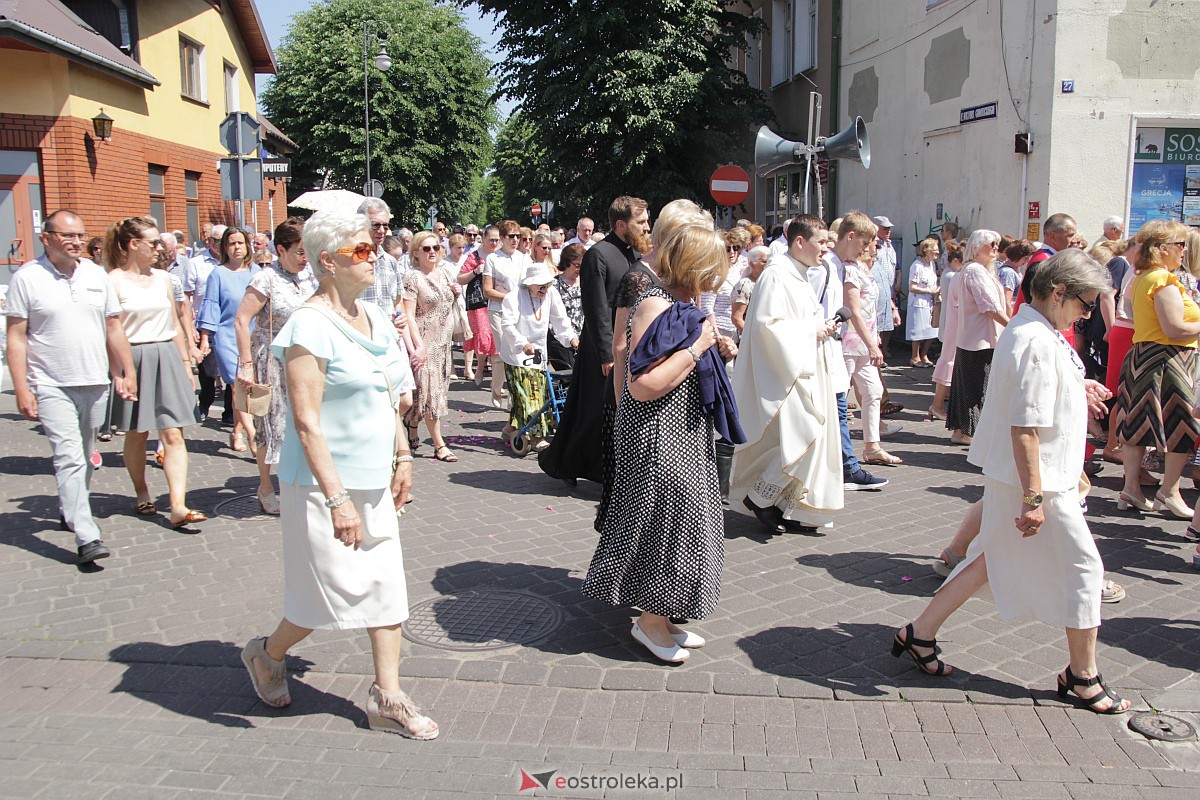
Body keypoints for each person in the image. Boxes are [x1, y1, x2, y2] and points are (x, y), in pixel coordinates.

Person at [892, 249, 1131, 715]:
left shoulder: (1035, 328)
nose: (1086, 316)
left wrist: (1077, 388)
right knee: (1084, 572)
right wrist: (1034, 497)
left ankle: (919, 632)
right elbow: (1024, 427)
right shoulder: (1037, 340)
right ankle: (1082, 676)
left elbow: (1031, 393)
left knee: (988, 560)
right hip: (1040, 480)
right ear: (1059, 292)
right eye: (1085, 305)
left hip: (1027, 475)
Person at [238, 209, 434, 739]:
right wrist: (337, 498)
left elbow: (390, 398)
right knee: (325, 594)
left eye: (374, 248)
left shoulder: (373, 316)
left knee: (386, 585)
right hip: (323, 484)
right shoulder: (307, 325)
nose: (374, 257)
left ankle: (387, 696)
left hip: (375, 477)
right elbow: (305, 420)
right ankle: (266, 653)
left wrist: (404, 457)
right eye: (361, 250)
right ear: (327, 261)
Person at [584, 224, 739, 663]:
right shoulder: (655, 304)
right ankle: (649, 621)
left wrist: (713, 349)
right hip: (657, 432)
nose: (716, 277)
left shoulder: (677, 303)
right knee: (667, 527)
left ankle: (664, 616)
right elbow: (645, 384)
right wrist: (698, 348)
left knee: (685, 524)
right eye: (712, 267)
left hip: (680, 430)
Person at [5, 210, 137, 563]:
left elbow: (113, 327)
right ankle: (86, 534)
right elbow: (16, 337)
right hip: (51, 383)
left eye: (80, 235)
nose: (77, 242)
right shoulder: (27, 278)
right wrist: (22, 388)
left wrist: (126, 370)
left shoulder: (96, 275)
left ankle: (69, 507)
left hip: (94, 380)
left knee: (87, 456)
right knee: (68, 456)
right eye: (68, 236)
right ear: (46, 238)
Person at [731, 215, 844, 532]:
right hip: (787, 372)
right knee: (806, 434)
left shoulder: (800, 274)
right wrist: (813, 330)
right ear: (799, 241)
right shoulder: (777, 276)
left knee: (808, 439)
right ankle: (760, 496)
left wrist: (820, 328)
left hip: (805, 365)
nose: (826, 247)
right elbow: (769, 327)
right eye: (821, 241)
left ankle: (787, 506)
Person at [539, 196, 650, 487]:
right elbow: (597, 307)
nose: (646, 227)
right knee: (591, 412)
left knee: (608, 412)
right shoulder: (598, 255)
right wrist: (607, 354)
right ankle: (566, 463)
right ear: (622, 224)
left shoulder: (633, 254)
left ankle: (603, 470)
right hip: (602, 347)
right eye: (641, 222)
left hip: (628, 343)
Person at [104, 217, 206, 530]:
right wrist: (118, 372)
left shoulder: (164, 279)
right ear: (134, 244)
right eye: (153, 242)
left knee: (174, 432)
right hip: (132, 356)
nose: (159, 248)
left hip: (166, 355)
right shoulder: (113, 281)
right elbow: (111, 329)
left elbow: (175, 323)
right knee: (137, 433)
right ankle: (142, 490)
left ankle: (177, 504)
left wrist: (186, 363)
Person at [234, 218, 318, 516]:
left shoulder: (310, 276)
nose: (304, 257)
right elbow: (242, 321)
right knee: (271, 427)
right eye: (298, 251)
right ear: (280, 249)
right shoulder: (265, 279)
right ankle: (266, 486)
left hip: (304, 357)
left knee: (305, 421)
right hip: (270, 360)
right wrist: (245, 365)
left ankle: (301, 481)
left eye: (307, 250)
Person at [1116, 220, 1199, 517]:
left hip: (1146, 353)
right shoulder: (1162, 279)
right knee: (1182, 423)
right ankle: (1170, 490)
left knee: (1137, 422)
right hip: (1169, 357)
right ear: (1162, 248)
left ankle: (1132, 488)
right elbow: (1175, 328)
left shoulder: (1143, 277)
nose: (1184, 250)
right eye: (1180, 244)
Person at [812, 212, 890, 491]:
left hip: (834, 344)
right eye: (865, 242)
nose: (866, 249)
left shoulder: (839, 266)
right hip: (829, 346)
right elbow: (821, 307)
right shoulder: (826, 267)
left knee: (840, 406)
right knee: (836, 405)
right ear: (851, 236)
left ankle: (847, 466)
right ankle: (847, 467)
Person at [498, 261, 578, 452]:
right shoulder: (514, 296)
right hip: (517, 353)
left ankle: (510, 428)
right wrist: (522, 343)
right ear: (529, 283)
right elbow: (507, 325)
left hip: (538, 353)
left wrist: (572, 339)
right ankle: (536, 438)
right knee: (530, 394)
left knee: (533, 394)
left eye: (547, 284)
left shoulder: (551, 294)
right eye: (540, 285)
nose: (545, 288)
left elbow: (560, 320)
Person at [197, 227, 260, 451]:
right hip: (226, 337)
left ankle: (237, 430)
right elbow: (211, 306)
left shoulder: (256, 272)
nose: (237, 248)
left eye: (240, 243)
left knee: (246, 388)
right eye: (232, 243)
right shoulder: (218, 274)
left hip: (252, 335)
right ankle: (253, 435)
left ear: (247, 246)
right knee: (237, 387)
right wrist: (205, 338)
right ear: (225, 247)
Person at [946, 230, 1007, 445]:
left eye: (997, 244)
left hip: (974, 337)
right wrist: (1010, 324)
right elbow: (989, 305)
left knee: (969, 385)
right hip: (980, 339)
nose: (995, 248)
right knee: (977, 388)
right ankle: (969, 432)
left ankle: (962, 430)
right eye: (991, 244)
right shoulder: (975, 271)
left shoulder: (974, 270)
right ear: (978, 246)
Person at [844, 239, 901, 466]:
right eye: (871, 244)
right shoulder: (850, 271)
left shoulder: (866, 271)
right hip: (848, 343)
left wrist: (874, 335)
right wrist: (872, 344)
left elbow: (870, 311)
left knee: (873, 390)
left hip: (864, 343)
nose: (875, 249)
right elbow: (853, 312)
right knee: (837, 395)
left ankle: (872, 447)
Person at [403, 230, 458, 461]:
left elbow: (448, 302)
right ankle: (439, 445)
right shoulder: (412, 278)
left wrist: (455, 292)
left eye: (435, 247)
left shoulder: (445, 272)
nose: (432, 252)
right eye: (426, 248)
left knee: (427, 393)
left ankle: (411, 426)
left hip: (444, 343)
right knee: (430, 394)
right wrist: (417, 346)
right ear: (416, 252)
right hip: (425, 343)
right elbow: (408, 316)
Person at [183, 223, 226, 420]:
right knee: (208, 371)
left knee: (232, 370)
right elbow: (186, 294)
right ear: (209, 241)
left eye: (223, 240)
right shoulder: (196, 263)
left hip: (228, 323)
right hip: (204, 323)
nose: (220, 245)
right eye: (217, 240)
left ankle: (230, 413)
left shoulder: (234, 263)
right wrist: (191, 323)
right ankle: (205, 402)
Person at [459, 225, 501, 389]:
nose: (495, 243)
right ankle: (480, 367)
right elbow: (460, 279)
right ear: (483, 239)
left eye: (497, 240)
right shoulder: (474, 257)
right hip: (478, 303)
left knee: (497, 338)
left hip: (496, 300)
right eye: (491, 240)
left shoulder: (500, 256)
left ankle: (496, 380)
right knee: (483, 335)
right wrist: (475, 271)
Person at [929, 244, 965, 420]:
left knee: (950, 362)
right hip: (953, 322)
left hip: (951, 321)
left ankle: (942, 402)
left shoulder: (952, 275)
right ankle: (938, 404)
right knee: (948, 362)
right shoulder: (953, 276)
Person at [699, 231, 741, 342]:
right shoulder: (713, 275)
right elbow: (707, 308)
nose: (732, 252)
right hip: (722, 330)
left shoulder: (739, 270)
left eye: (735, 248)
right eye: (727, 249)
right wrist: (717, 336)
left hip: (738, 330)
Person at [548, 244, 584, 370]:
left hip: (582, 336)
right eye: (577, 265)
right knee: (569, 374)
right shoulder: (554, 285)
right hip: (559, 337)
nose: (580, 269)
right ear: (567, 263)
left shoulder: (586, 282)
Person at [907, 238, 941, 366]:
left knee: (931, 330)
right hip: (918, 302)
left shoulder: (932, 265)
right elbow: (912, 287)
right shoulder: (916, 265)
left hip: (930, 302)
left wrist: (936, 289)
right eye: (935, 250)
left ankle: (924, 355)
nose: (937, 253)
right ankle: (915, 357)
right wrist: (928, 290)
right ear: (926, 251)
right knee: (918, 330)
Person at [872, 216, 899, 356]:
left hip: (889, 287)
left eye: (889, 228)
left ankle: (885, 347)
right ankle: (877, 348)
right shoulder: (876, 246)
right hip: (877, 287)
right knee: (877, 320)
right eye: (884, 228)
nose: (888, 231)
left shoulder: (890, 246)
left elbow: (896, 266)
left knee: (888, 321)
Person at [731, 245, 770, 336]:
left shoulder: (767, 282)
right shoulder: (744, 285)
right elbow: (737, 318)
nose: (768, 264)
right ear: (752, 264)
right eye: (764, 261)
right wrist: (753, 338)